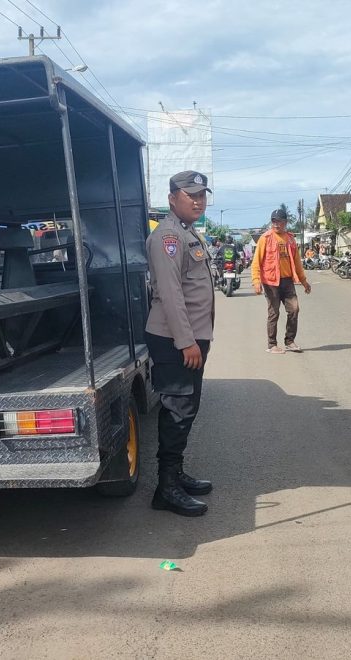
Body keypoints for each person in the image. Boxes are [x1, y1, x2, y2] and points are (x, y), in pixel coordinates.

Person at [145, 170, 216, 517]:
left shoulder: (188, 232)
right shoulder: (168, 237)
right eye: (191, 195)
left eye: (202, 195)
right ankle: (166, 488)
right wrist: (187, 342)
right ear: (173, 198)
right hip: (175, 340)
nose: (198, 200)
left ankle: (175, 473)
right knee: (177, 409)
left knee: (186, 409)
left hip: (190, 339)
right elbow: (171, 295)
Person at [251, 209, 311, 354]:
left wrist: (304, 281)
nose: (276, 224)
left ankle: (289, 341)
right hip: (271, 282)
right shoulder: (265, 239)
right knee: (274, 313)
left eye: (279, 221)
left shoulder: (290, 239)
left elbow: (297, 263)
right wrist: (256, 281)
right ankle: (272, 344)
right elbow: (256, 262)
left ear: (285, 222)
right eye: (274, 221)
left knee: (294, 309)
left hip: (287, 281)